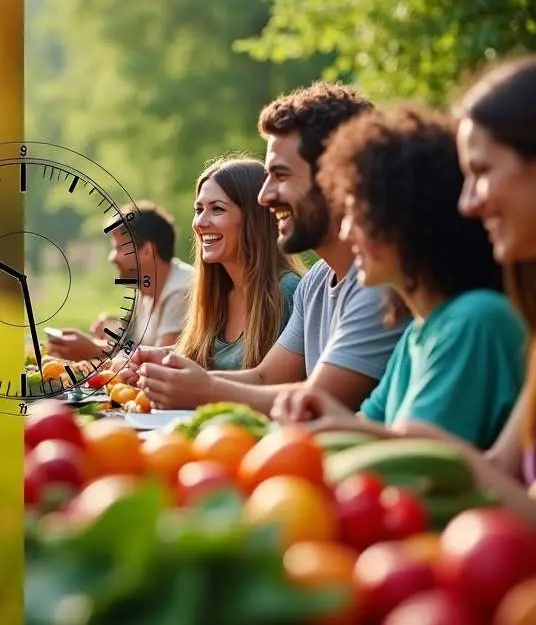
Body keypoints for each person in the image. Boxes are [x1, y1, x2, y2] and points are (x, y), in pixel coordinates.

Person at [132, 81, 408, 412]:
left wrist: (205, 389)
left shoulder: (378, 284)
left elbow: (316, 401)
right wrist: (178, 373)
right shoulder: (316, 282)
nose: (265, 196)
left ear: (336, 177)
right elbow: (265, 379)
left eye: (281, 175)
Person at [271, 106, 527, 449]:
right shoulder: (419, 333)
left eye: (356, 214)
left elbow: (420, 461)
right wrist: (325, 419)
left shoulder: (474, 319)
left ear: (407, 217)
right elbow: (371, 431)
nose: (346, 233)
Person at [383, 55, 536, 520]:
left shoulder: (475, 318)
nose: (466, 204)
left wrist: (431, 447)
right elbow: (506, 479)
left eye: (483, 172)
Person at [164, 156, 303, 371]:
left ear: (253, 220)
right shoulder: (217, 293)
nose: (200, 223)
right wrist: (147, 358)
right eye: (199, 210)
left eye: (217, 209)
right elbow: (193, 355)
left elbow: (270, 384)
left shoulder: (287, 293)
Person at [46, 200, 193, 360]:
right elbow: (134, 347)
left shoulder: (182, 290)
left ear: (146, 251)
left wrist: (95, 351)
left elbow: (160, 364)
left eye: (119, 248)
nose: (112, 258)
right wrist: (111, 337)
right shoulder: (144, 291)